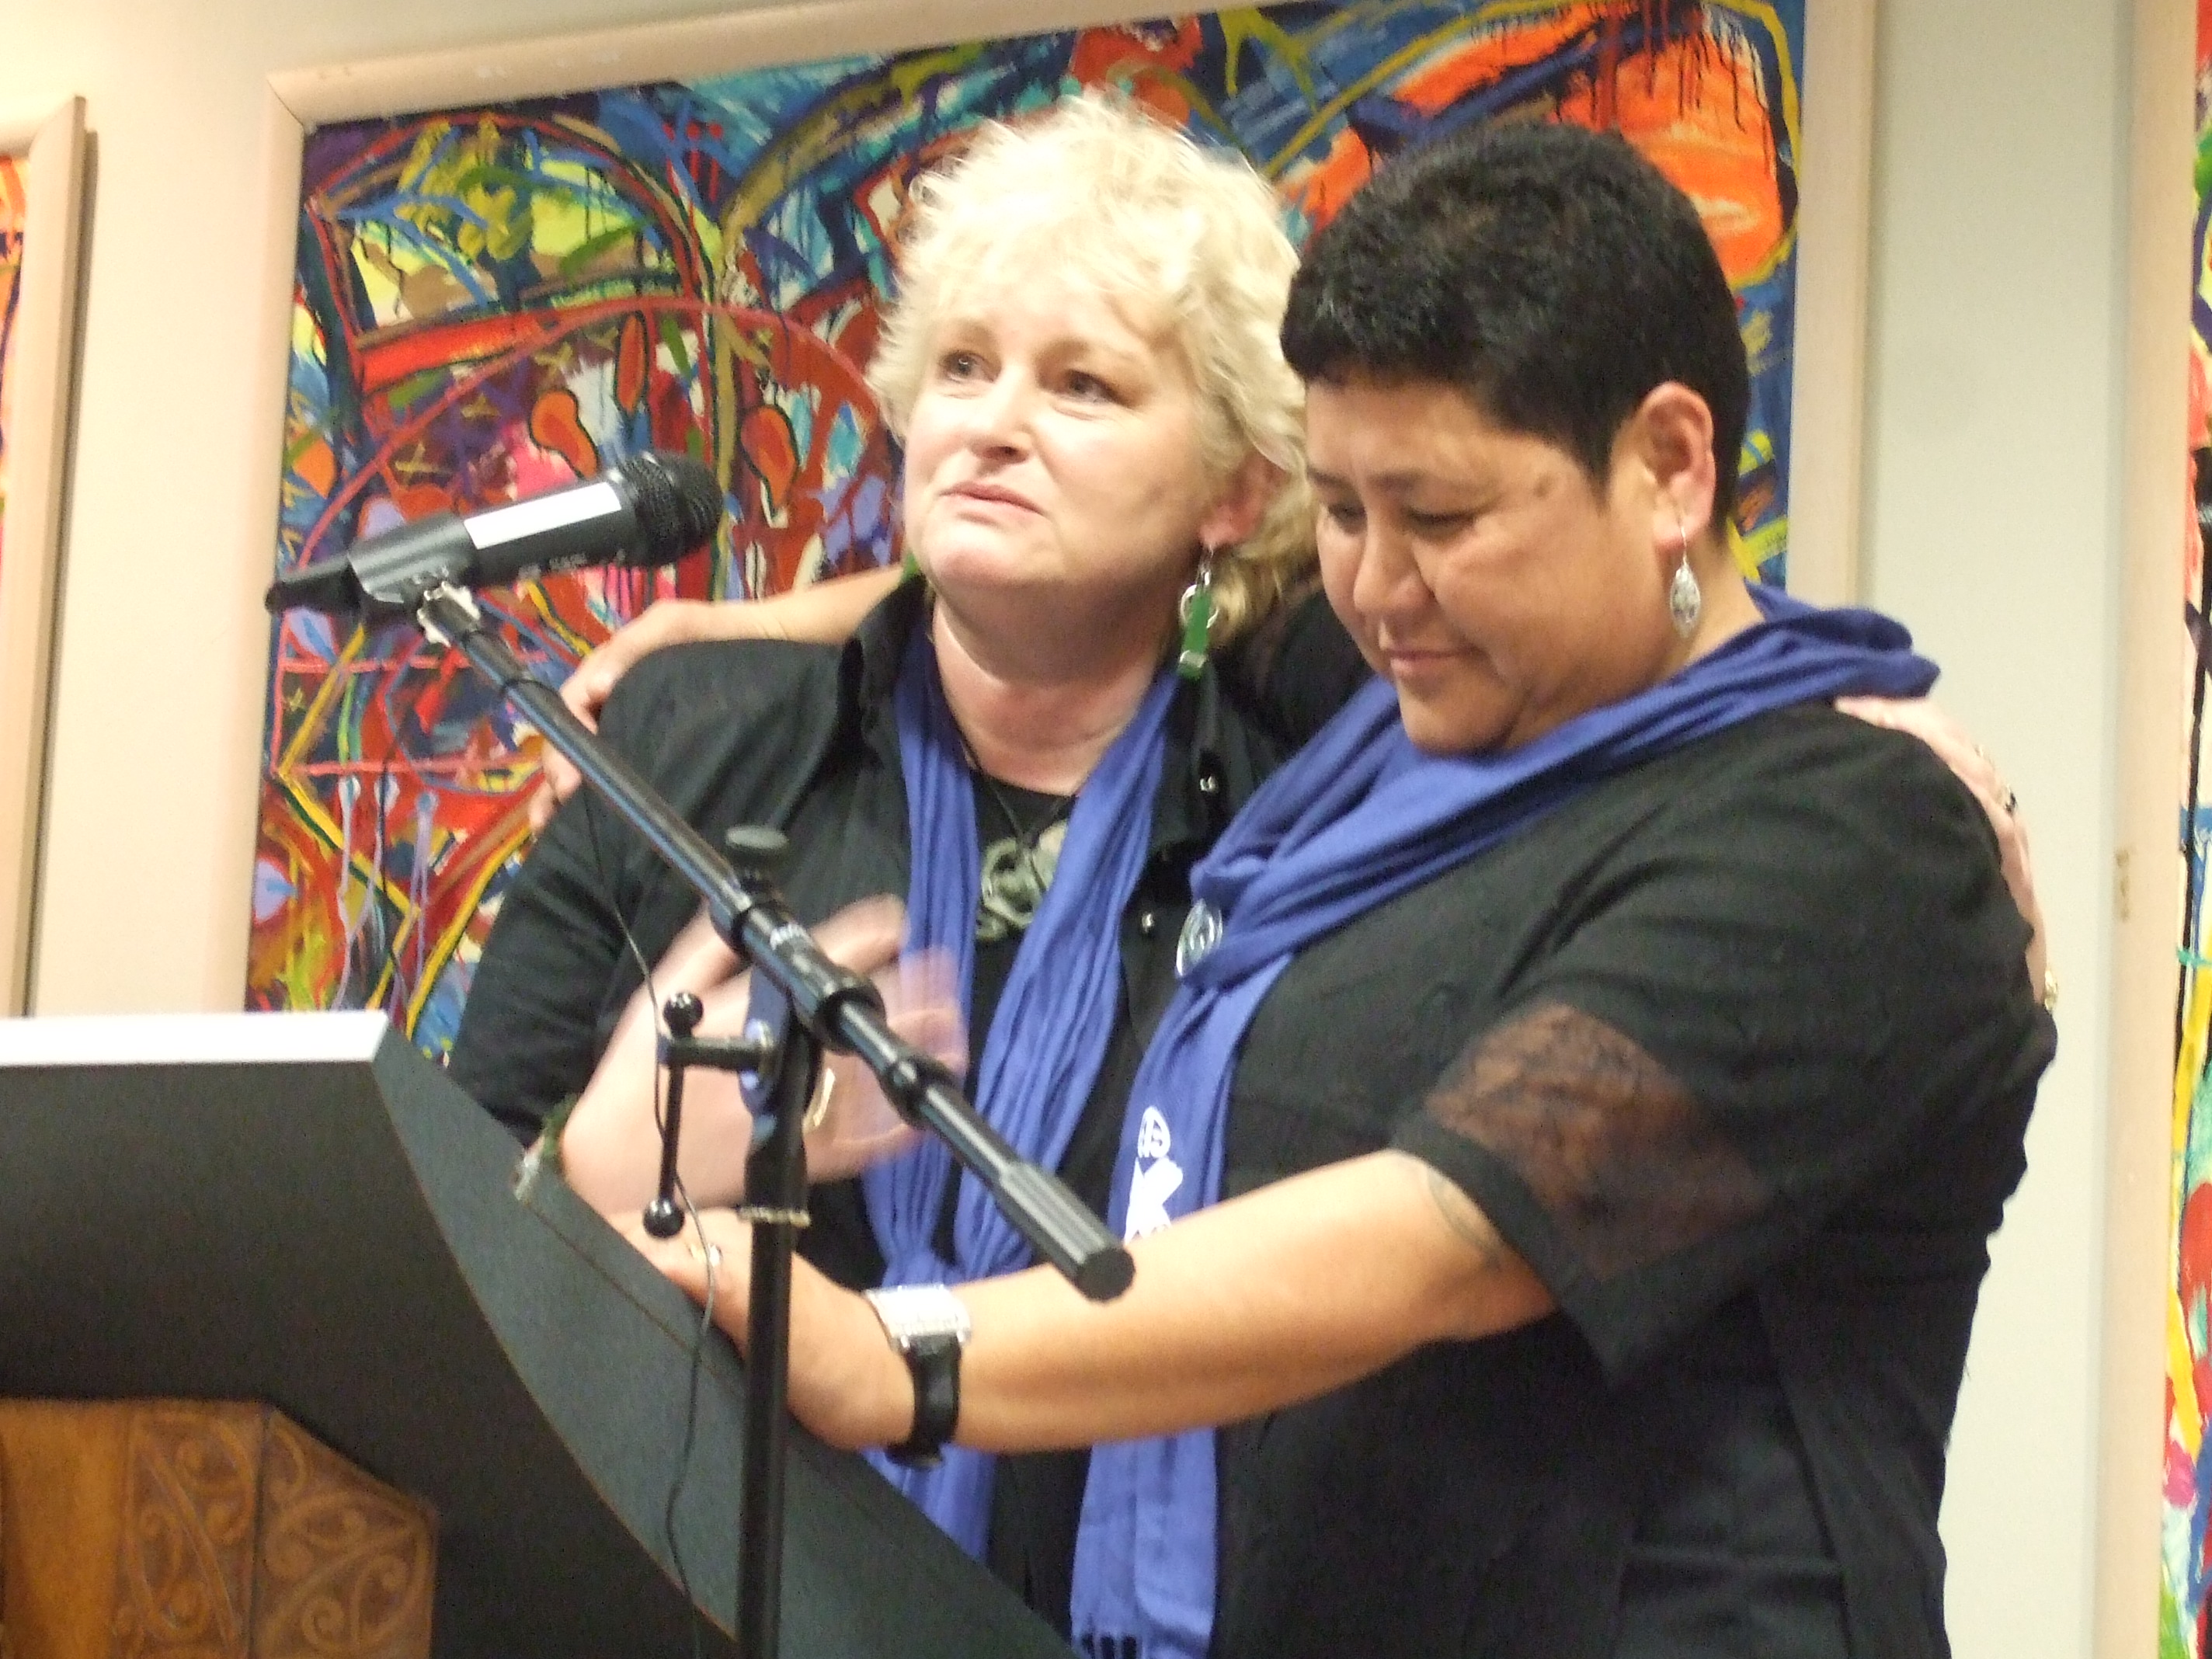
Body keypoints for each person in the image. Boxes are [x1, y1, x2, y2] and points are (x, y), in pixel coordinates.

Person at [629, 120, 2056, 1659]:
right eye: (1343, 510)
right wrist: (753, 624)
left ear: (1666, 465)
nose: (1375, 587)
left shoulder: (1848, 832)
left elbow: (1455, 1229)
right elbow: (1107, 574)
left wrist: (898, 1358)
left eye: (1437, 518)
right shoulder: (1397, 729)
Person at [447, 93, 1327, 1634]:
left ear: (1233, 492)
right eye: (964, 368)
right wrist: (600, 1173)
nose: (994, 421)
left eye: (1084, 385)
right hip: (660, 1599)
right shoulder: (687, 739)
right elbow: (449, 1247)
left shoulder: (1299, 811)